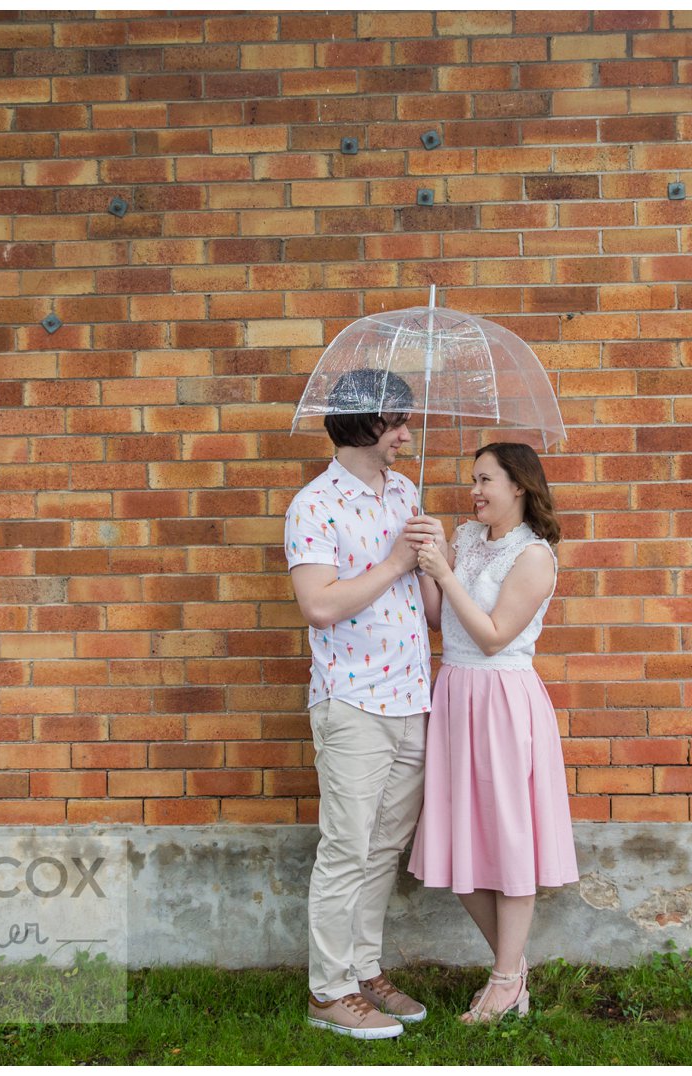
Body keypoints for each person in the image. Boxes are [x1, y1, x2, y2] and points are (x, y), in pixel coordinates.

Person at [284, 368, 448, 1040]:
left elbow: (429, 610)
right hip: (352, 700)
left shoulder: (406, 492)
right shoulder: (314, 506)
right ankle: (328, 992)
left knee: (384, 848)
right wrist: (393, 564)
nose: (408, 434)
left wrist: (434, 558)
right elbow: (319, 604)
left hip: (413, 696)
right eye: (397, 422)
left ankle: (363, 969)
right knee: (347, 848)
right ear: (362, 425)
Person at [408, 441, 580, 1023]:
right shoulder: (465, 538)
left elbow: (492, 634)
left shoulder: (534, 557)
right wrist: (430, 560)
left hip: (503, 701)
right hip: (456, 694)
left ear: (519, 487)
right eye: (473, 480)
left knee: (509, 842)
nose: (475, 490)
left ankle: (505, 982)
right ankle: (515, 972)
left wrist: (443, 573)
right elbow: (439, 620)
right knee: (458, 847)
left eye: (486, 480)